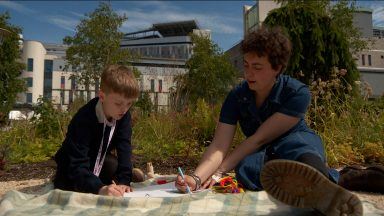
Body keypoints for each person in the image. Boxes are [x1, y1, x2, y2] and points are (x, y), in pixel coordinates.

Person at [176, 27, 363, 215]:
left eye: (257, 67)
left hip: (295, 142)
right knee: (246, 168)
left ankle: (322, 188)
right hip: (264, 154)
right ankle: (343, 179)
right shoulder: (236, 96)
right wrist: (196, 178)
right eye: (246, 65)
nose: (248, 73)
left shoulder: (297, 92)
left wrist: (219, 172)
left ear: (278, 68)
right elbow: (219, 145)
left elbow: (260, 138)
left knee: (298, 149)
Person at [54, 65, 139, 197]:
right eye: (118, 104)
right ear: (102, 96)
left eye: (129, 104)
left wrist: (124, 180)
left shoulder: (123, 116)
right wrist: (100, 188)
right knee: (66, 183)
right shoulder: (84, 118)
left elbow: (124, 147)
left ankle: (130, 175)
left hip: (99, 162)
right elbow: (76, 163)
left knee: (114, 164)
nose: (124, 109)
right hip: (72, 166)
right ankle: (100, 182)